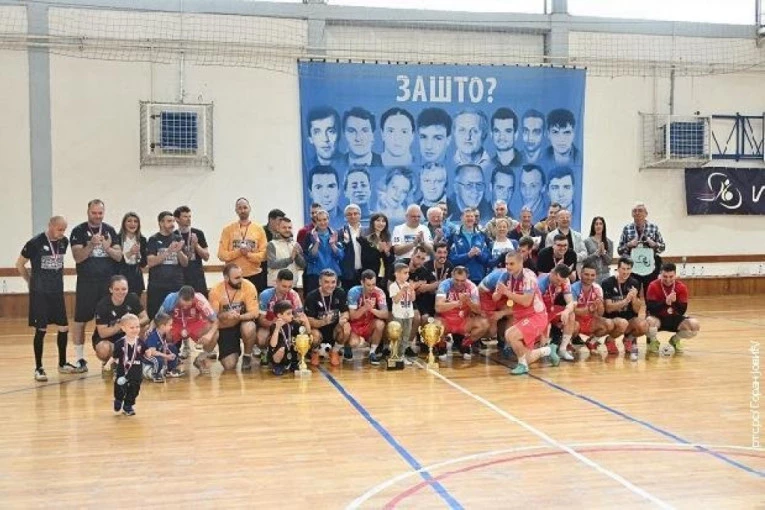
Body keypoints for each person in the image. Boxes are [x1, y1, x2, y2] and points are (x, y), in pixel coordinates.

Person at [16, 215, 77, 380]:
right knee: (41, 329)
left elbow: (58, 263)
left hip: (56, 292)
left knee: (63, 327)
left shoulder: (64, 242)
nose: (62, 232)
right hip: (40, 293)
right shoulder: (35, 243)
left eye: (64, 229)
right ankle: (39, 368)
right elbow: (19, 264)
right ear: (50, 225)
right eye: (59, 229)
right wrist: (30, 281)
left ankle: (62, 363)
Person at [69, 199, 122, 373]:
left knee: (111, 320)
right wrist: (91, 244)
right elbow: (78, 257)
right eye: (94, 213)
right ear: (88, 212)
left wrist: (107, 247)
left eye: (100, 213)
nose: (97, 216)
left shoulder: (110, 230)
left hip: (107, 283)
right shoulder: (78, 231)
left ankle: (110, 358)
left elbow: (118, 256)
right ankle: (79, 359)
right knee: (80, 321)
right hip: (87, 283)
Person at [495, 251, 559, 375]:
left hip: (536, 316)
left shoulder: (529, 277)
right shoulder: (505, 275)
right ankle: (548, 350)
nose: (508, 267)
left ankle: (522, 366)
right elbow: (495, 297)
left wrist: (507, 292)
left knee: (510, 334)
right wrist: (498, 293)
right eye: (506, 264)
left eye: (511, 264)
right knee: (527, 356)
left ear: (521, 263)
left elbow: (526, 301)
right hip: (521, 316)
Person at [208, 263, 259, 371]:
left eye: (241, 276)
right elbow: (213, 317)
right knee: (229, 365)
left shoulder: (249, 286)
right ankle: (232, 349)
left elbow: (254, 313)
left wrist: (239, 317)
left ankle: (247, 356)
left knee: (249, 327)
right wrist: (225, 315)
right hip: (226, 326)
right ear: (226, 278)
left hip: (242, 322)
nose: (241, 280)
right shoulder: (215, 291)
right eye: (236, 278)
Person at [92, 275, 149, 371]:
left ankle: (138, 357)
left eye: (124, 289)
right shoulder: (103, 305)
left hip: (128, 335)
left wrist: (132, 325)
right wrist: (121, 326)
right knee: (103, 349)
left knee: (146, 328)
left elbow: (145, 318)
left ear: (128, 289)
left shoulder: (132, 298)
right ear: (111, 290)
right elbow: (102, 333)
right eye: (117, 289)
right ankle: (110, 361)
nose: (121, 292)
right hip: (109, 339)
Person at [157, 285, 219, 369]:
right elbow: (158, 318)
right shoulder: (171, 298)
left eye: (188, 305)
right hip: (175, 324)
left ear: (193, 299)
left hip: (195, 324)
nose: (185, 307)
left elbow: (215, 320)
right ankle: (167, 359)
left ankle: (201, 358)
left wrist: (209, 335)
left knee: (214, 334)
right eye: (182, 305)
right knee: (160, 331)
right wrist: (157, 330)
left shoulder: (200, 299)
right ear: (178, 297)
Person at [572, 261, 628, 354]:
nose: (589, 277)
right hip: (576, 320)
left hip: (590, 320)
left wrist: (600, 305)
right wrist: (588, 309)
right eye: (586, 274)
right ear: (580, 274)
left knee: (609, 324)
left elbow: (600, 313)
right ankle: (567, 344)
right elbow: (572, 310)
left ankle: (592, 342)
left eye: (592, 275)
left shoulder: (597, 288)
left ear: (596, 276)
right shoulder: (573, 288)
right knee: (572, 325)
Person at [645, 263, 700, 355]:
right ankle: (653, 341)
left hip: (675, 318)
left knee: (694, 325)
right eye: (665, 276)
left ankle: (675, 340)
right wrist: (665, 302)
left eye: (671, 276)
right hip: (658, 318)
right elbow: (651, 309)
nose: (668, 279)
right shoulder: (653, 285)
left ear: (675, 275)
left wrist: (675, 302)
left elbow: (682, 311)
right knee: (648, 322)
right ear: (660, 274)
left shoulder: (681, 287)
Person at [435, 266, 488, 360]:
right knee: (434, 326)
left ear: (467, 277)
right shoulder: (444, 285)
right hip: (446, 320)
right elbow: (438, 307)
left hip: (464, 321)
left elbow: (478, 310)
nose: (459, 283)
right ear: (452, 275)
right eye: (456, 280)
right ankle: (441, 346)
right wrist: (458, 303)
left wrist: (468, 302)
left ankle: (465, 345)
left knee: (484, 324)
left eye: (462, 280)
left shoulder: (472, 287)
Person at [217, 197, 268, 291]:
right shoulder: (228, 230)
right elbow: (221, 255)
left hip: (254, 275)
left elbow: (264, 255)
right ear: (236, 210)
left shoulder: (259, 229)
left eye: (245, 207)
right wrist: (239, 252)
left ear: (250, 209)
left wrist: (248, 254)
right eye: (240, 208)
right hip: (233, 276)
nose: (243, 210)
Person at [602, 257, 648, 360]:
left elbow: (637, 310)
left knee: (644, 325)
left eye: (628, 269)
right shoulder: (607, 283)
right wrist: (626, 301)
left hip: (629, 319)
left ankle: (628, 339)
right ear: (618, 268)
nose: (625, 272)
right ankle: (610, 340)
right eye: (623, 269)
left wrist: (634, 298)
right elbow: (608, 308)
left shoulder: (635, 283)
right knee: (623, 323)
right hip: (613, 320)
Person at [256, 269, 305, 365]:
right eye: (284, 286)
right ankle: (265, 352)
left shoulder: (294, 295)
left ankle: (292, 355)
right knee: (261, 337)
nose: (287, 290)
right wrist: (274, 324)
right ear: (277, 282)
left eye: (290, 286)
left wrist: (291, 320)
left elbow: (300, 317)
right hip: (269, 326)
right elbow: (260, 320)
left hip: (288, 328)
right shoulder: (265, 295)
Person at [146, 211, 189, 319]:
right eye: (169, 221)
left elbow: (185, 263)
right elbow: (151, 262)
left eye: (173, 221)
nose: (172, 224)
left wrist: (178, 251)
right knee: (156, 317)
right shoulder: (153, 239)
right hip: (157, 286)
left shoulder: (178, 238)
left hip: (175, 285)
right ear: (161, 223)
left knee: (176, 317)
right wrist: (169, 251)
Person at [304, 269, 351, 366]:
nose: (330, 285)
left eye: (333, 282)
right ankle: (315, 351)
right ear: (320, 282)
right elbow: (309, 321)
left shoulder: (340, 293)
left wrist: (343, 319)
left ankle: (335, 351)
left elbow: (345, 312)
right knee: (313, 334)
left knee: (346, 327)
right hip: (318, 330)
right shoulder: (311, 296)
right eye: (326, 282)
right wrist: (324, 321)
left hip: (334, 330)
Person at [617, 202, 666, 291]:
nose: (637, 213)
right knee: (633, 294)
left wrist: (654, 244)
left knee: (651, 295)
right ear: (632, 214)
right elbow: (619, 250)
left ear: (646, 214)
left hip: (650, 268)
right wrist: (629, 245)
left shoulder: (653, 228)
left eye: (640, 210)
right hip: (633, 269)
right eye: (635, 211)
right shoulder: (627, 228)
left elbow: (663, 247)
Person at [347, 270, 390, 365]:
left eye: (373, 284)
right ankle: (347, 346)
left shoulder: (379, 292)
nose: (371, 288)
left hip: (368, 324)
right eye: (368, 285)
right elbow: (352, 316)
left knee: (380, 324)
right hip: (355, 325)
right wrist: (364, 308)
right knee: (353, 343)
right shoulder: (354, 292)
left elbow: (385, 314)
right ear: (362, 282)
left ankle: (372, 352)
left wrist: (371, 310)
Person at [537, 264, 577, 361]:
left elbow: (571, 302)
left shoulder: (565, 281)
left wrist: (566, 311)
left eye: (561, 281)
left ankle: (562, 349)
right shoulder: (540, 283)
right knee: (541, 343)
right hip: (537, 311)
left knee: (571, 314)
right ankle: (544, 347)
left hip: (550, 309)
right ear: (552, 273)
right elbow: (535, 308)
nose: (559, 283)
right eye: (558, 280)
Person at [111, 313, 146, 416]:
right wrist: (108, 364)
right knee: (120, 387)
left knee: (134, 390)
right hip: (123, 372)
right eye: (132, 327)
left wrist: (149, 352)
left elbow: (146, 351)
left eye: (137, 327)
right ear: (123, 328)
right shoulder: (119, 343)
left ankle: (128, 405)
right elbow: (114, 356)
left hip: (136, 372)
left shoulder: (141, 342)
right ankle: (118, 399)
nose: (135, 330)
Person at [478, 253, 517, 344]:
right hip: (487, 296)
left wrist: (502, 312)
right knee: (492, 331)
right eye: (508, 264)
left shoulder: (525, 278)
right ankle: (475, 337)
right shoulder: (496, 276)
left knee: (514, 315)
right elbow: (480, 290)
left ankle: (506, 343)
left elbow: (518, 306)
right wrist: (481, 310)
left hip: (505, 297)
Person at [303, 210, 344, 296]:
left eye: (325, 219)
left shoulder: (336, 234)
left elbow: (340, 256)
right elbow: (309, 258)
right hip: (315, 274)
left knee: (334, 300)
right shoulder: (309, 235)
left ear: (328, 220)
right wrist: (316, 243)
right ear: (316, 221)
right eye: (319, 220)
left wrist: (332, 244)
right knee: (315, 299)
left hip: (333, 273)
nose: (322, 223)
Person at [172, 205, 209, 297]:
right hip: (180, 276)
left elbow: (206, 257)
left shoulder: (198, 233)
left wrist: (196, 245)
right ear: (177, 219)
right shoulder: (173, 235)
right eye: (185, 216)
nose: (188, 219)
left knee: (200, 301)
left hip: (197, 275)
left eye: (189, 216)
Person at [268, 300, 312, 376]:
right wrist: (277, 329)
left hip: (291, 353)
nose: (292, 316)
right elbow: (272, 345)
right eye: (288, 314)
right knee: (281, 349)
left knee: (301, 341)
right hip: (279, 355)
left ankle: (293, 363)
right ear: (279, 315)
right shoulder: (274, 326)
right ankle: (277, 365)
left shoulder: (293, 324)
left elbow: (307, 333)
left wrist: (306, 322)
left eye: (292, 313)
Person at [449, 208, 490, 285]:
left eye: (472, 216)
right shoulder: (454, 236)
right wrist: (468, 255)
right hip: (460, 279)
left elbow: (487, 259)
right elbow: (452, 259)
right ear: (461, 218)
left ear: (474, 219)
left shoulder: (481, 235)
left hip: (478, 277)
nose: (470, 218)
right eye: (467, 216)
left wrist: (479, 254)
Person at [266, 216, 305, 295]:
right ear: (278, 228)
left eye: (289, 227)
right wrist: (290, 259)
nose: (287, 230)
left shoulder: (295, 244)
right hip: (275, 287)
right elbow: (272, 264)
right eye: (284, 227)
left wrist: (297, 256)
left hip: (292, 286)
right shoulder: (271, 244)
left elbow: (303, 265)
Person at [417, 242, 453, 321]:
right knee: (425, 318)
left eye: (445, 252)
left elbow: (451, 288)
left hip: (441, 300)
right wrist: (440, 283)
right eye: (439, 252)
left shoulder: (449, 266)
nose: (442, 255)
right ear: (434, 253)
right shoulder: (426, 266)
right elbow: (421, 289)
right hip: (426, 300)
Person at [388, 263, 416, 365]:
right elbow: (395, 300)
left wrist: (412, 290)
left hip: (409, 314)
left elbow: (413, 299)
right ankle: (394, 355)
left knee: (406, 336)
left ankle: (401, 355)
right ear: (397, 274)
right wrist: (402, 291)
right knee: (397, 337)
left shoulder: (408, 285)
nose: (407, 275)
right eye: (405, 273)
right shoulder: (393, 286)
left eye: (408, 273)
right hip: (398, 315)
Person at [359, 212, 395, 290]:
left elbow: (392, 260)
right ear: (372, 222)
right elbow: (365, 259)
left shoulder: (387, 238)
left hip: (384, 276)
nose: (381, 223)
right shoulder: (365, 239)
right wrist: (379, 251)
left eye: (383, 221)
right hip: (370, 276)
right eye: (378, 220)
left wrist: (386, 252)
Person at [143, 313, 183, 382]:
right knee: (158, 359)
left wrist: (168, 358)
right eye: (169, 325)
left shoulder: (163, 334)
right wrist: (166, 356)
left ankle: (170, 370)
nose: (171, 327)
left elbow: (164, 347)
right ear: (162, 326)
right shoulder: (153, 336)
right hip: (148, 356)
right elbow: (152, 352)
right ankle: (155, 374)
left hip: (157, 352)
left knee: (172, 348)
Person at [116, 212, 147, 297]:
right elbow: (116, 261)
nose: (132, 224)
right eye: (129, 221)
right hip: (121, 274)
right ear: (124, 223)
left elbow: (144, 263)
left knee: (135, 302)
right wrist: (130, 252)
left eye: (135, 221)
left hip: (136, 276)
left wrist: (139, 255)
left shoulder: (142, 239)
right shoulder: (117, 238)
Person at [452, 109, 491, 173]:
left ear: (484, 135)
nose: (468, 137)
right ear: (454, 133)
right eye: (462, 130)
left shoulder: (492, 164)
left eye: (474, 131)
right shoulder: (447, 163)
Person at [339, 204, 365, 291]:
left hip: (365, 272)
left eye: (355, 213)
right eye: (349, 214)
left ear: (360, 215)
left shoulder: (367, 231)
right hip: (348, 274)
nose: (353, 216)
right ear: (345, 217)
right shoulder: (340, 232)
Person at [584, 216, 614, 283]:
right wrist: (596, 254)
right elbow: (585, 261)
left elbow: (609, 261)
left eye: (600, 224)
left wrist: (603, 253)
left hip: (605, 275)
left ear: (603, 226)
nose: (598, 226)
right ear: (593, 226)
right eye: (596, 224)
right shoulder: (587, 241)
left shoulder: (609, 242)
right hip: (592, 275)